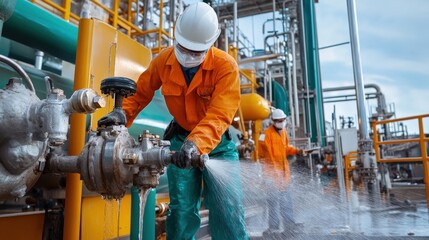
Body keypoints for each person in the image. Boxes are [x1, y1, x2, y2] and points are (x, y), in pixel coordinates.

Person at [103, 2, 248, 239]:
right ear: (176, 36)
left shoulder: (226, 67)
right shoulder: (164, 61)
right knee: (180, 212)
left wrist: (197, 144)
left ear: (211, 44)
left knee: (228, 210)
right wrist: (122, 115)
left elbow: (220, 114)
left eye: (196, 51)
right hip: (181, 140)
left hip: (218, 145)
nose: (188, 55)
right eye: (183, 47)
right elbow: (140, 93)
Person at [259, 108, 304, 235]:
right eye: (278, 121)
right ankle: (273, 228)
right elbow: (267, 158)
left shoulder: (283, 132)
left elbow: (285, 148)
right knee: (273, 203)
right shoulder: (265, 136)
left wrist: (297, 151)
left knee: (287, 202)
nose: (281, 122)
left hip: (284, 175)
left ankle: (289, 226)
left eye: (282, 120)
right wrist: (274, 176)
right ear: (273, 121)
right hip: (272, 177)